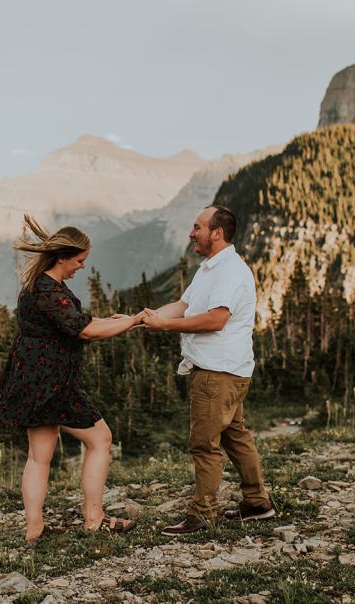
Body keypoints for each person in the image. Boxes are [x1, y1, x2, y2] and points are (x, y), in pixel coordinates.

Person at [0, 214, 145, 543]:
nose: (82, 267)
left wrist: (116, 319)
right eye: (79, 260)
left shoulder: (41, 287)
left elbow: (73, 320)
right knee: (100, 439)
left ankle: (35, 530)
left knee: (38, 455)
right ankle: (94, 518)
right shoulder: (48, 290)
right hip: (53, 382)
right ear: (62, 257)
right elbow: (84, 329)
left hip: (33, 379)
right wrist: (134, 321)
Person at [143, 204, 276, 535]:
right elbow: (184, 305)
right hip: (226, 368)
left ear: (217, 233)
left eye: (197, 227)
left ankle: (202, 514)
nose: (192, 233)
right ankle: (257, 503)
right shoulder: (209, 269)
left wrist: (166, 328)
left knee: (204, 443)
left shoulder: (230, 271)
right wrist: (144, 318)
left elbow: (217, 319)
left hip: (218, 371)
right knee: (235, 435)